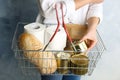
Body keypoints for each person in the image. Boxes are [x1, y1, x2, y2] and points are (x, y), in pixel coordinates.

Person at [36, 0, 104, 80]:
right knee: (53, 76)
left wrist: (92, 29)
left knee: (73, 76)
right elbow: (48, 8)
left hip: (79, 37)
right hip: (52, 39)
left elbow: (96, 4)